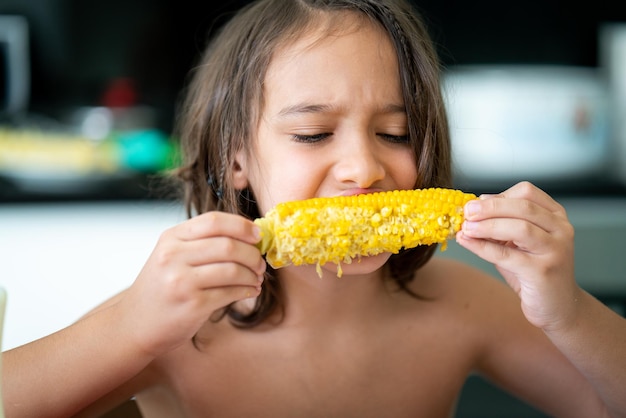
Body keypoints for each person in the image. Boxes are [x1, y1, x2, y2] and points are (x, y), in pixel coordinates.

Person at [3, 0, 626, 416]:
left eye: (396, 133)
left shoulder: (463, 303)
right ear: (237, 158)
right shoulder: (172, 324)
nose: (364, 168)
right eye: (312, 134)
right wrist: (127, 328)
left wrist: (566, 311)